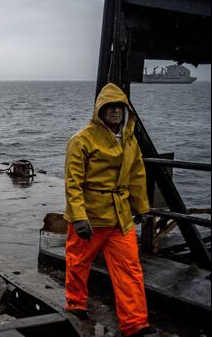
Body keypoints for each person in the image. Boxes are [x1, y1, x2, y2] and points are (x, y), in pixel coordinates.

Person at [64, 82, 156, 336]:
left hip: (120, 217)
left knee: (130, 269)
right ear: (99, 110)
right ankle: (75, 303)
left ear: (126, 111)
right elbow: (73, 181)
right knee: (79, 263)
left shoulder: (129, 141)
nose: (115, 111)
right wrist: (79, 217)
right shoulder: (81, 140)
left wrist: (142, 207)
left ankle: (135, 323)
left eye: (119, 107)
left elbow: (137, 175)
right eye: (109, 107)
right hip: (90, 217)